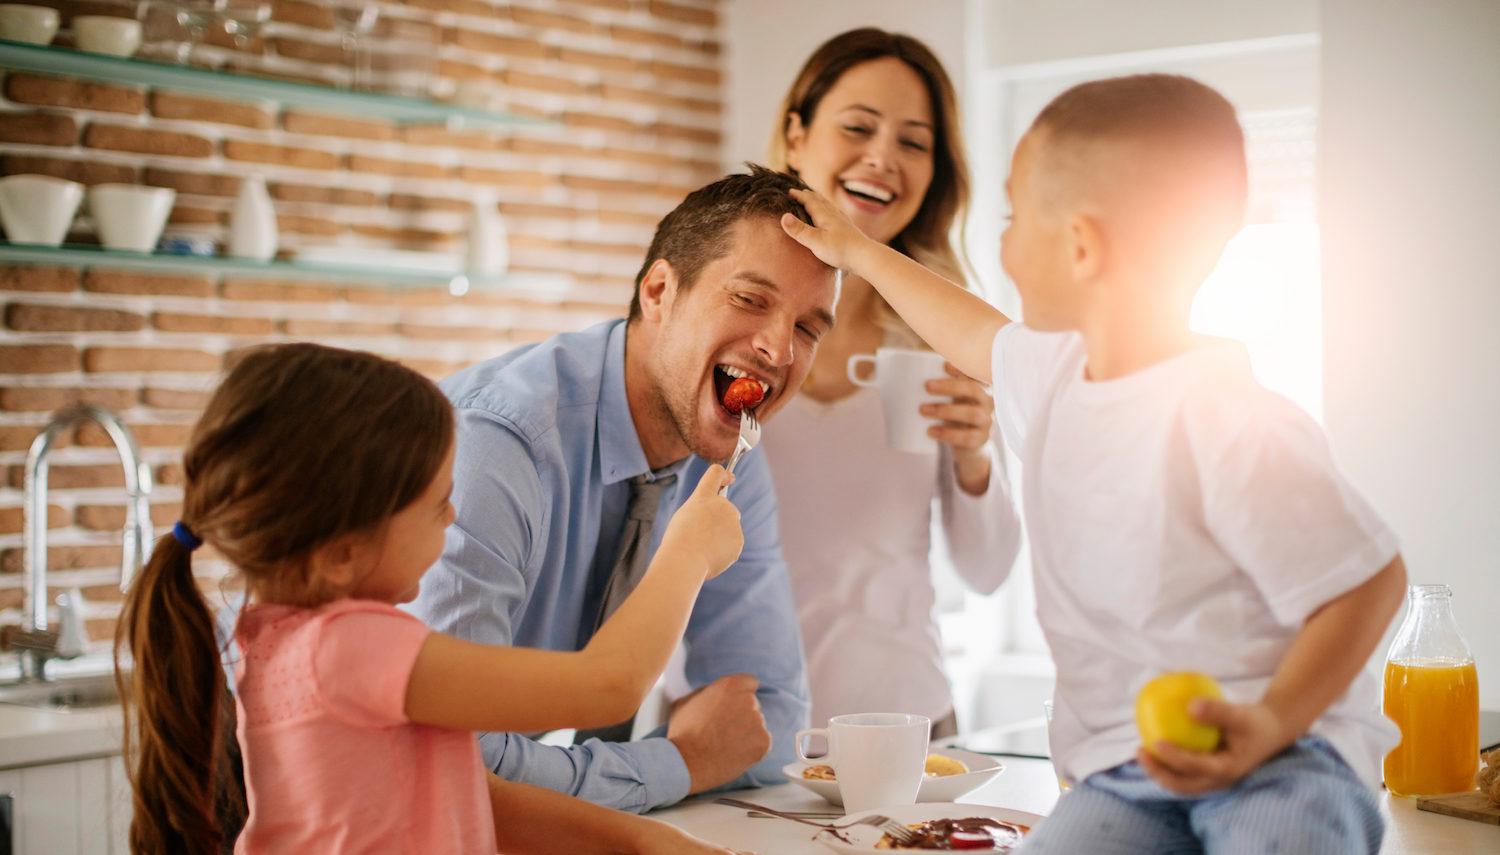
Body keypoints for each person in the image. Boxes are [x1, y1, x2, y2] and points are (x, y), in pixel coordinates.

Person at [781, 73, 1407, 853]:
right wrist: (858, 252)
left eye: (1012, 219)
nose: (1000, 245)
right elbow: (965, 325)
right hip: (1121, 770)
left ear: (1079, 245)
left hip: (1287, 759)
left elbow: (1368, 581)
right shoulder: (1051, 376)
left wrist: (1273, 720)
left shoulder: (1228, 417)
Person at [115, 342, 748, 855]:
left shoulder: (275, 640)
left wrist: (644, 841)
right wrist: (687, 552)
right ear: (340, 550)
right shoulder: (354, 646)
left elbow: (467, 793)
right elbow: (609, 685)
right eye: (436, 501)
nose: (453, 517)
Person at [407, 166, 838, 813]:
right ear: (659, 291)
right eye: (751, 299)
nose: (779, 348)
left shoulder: (732, 457)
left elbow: (765, 715)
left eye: (808, 327)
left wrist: (690, 757)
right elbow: (457, 762)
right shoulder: (495, 443)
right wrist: (679, 761)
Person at [761, 28, 1022, 735]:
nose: (883, 157)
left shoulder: (944, 335)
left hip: (909, 726)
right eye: (857, 127)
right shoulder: (727, 322)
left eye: (914, 141)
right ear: (796, 135)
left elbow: (990, 570)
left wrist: (975, 458)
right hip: (733, 728)